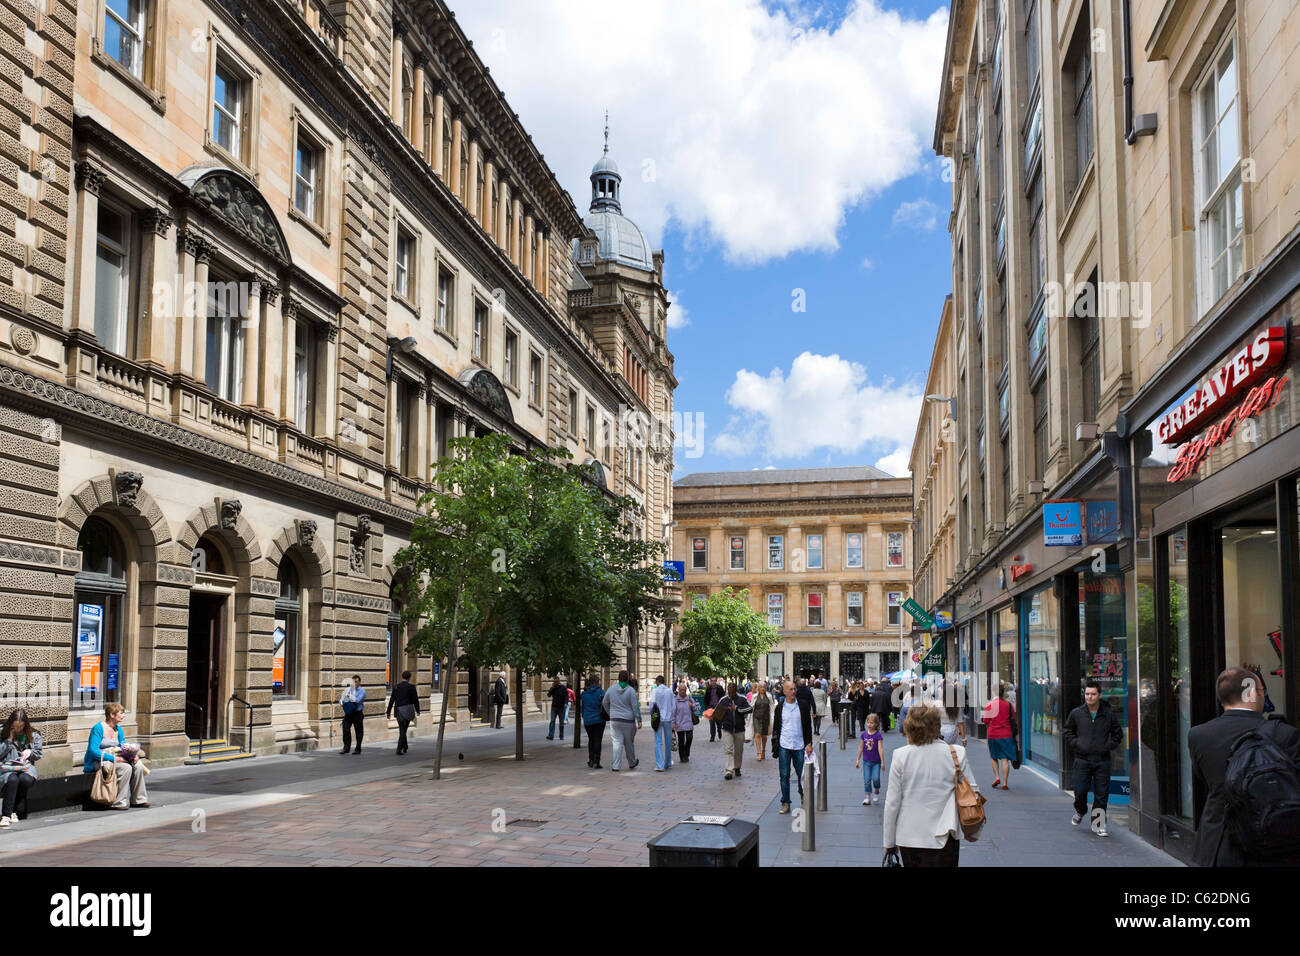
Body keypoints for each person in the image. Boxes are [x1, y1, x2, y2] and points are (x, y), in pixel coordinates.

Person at [1188, 667, 1300, 866]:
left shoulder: (1198, 735)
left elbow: (1203, 779)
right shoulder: (1285, 734)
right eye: (1261, 691)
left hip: (1217, 843)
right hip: (1272, 841)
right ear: (1250, 693)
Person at [883, 705, 979, 867]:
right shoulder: (956, 753)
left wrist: (889, 841)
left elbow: (892, 803)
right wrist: (974, 830)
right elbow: (973, 793)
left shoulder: (901, 755)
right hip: (945, 835)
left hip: (909, 836)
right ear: (937, 725)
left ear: (909, 727)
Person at [1062, 680, 1123, 836]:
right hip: (1082, 759)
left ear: (1099, 695)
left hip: (1102, 760)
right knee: (1080, 790)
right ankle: (1081, 810)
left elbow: (1118, 734)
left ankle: (1098, 824)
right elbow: (1068, 732)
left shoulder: (1108, 714)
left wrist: (1108, 745)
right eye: (1087, 694)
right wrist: (1077, 743)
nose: (1089, 697)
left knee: (1101, 794)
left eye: (1093, 694)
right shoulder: (1077, 713)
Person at [83, 702, 148, 810]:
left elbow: (124, 747)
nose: (124, 715)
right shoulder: (98, 728)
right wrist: (114, 759)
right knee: (126, 768)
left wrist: (132, 756)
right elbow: (93, 751)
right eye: (121, 713)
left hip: (115, 758)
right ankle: (118, 802)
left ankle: (138, 799)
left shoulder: (118, 729)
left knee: (139, 765)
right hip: (99, 761)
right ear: (112, 715)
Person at [772, 680, 814, 814]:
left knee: (802, 775)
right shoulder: (779, 707)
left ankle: (803, 796)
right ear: (784, 691)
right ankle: (785, 802)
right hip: (784, 745)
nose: (793, 691)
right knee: (784, 775)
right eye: (790, 689)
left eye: (794, 689)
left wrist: (809, 743)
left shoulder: (802, 705)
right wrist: (776, 743)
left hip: (799, 745)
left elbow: (808, 726)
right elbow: (776, 728)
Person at [0, 709, 42, 826]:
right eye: (15, 727)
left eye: (21, 727)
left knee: (25, 779)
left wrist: (30, 752)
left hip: (25, 767)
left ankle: (13, 810)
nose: (18, 729)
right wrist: (8, 740)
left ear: (25, 725)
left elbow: (38, 753)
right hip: (7, 767)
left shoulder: (33, 735)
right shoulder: (2, 732)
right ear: (10, 724)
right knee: (12, 779)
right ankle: (6, 815)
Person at [601, 671, 641, 771]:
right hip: (628, 721)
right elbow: (635, 706)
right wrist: (639, 720)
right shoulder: (631, 691)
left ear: (618, 678)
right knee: (629, 743)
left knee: (617, 743)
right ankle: (632, 762)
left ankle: (616, 765)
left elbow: (604, 702)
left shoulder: (611, 689)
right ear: (627, 679)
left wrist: (611, 713)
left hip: (615, 720)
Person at [982, 681, 1017, 789]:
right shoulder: (1008, 705)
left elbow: (986, 721)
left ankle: (997, 777)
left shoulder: (990, 705)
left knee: (994, 756)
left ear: (994, 692)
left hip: (993, 734)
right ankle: (1005, 783)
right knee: (1004, 758)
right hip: (1006, 734)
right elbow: (1014, 719)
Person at [715, 682, 752, 780]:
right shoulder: (723, 700)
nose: (730, 694)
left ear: (736, 691)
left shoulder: (742, 699)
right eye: (729, 692)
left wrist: (737, 709)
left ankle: (737, 767)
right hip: (727, 728)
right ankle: (729, 771)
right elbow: (717, 713)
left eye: (732, 692)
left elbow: (750, 709)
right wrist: (715, 716)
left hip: (739, 728)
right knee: (728, 749)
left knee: (739, 750)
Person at [385, 670, 420, 756]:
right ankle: (399, 749)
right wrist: (418, 710)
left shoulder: (396, 686)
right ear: (409, 678)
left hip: (398, 711)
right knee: (403, 730)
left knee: (402, 729)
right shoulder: (411, 687)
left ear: (402, 677)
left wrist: (388, 712)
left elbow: (392, 699)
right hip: (407, 710)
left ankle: (405, 747)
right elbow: (415, 700)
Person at [856, 713, 885, 805]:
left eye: (871, 723)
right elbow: (860, 748)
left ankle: (876, 790)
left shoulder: (878, 736)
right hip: (866, 762)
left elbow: (880, 749)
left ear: (876, 724)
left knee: (876, 778)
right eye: (868, 722)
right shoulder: (863, 735)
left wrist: (883, 762)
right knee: (867, 780)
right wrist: (857, 759)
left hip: (876, 762)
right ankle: (867, 797)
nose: (869, 724)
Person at [652, 675, 677, 772]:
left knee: (658, 741)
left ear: (658, 682)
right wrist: (671, 716)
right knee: (668, 741)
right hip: (667, 719)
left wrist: (653, 717)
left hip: (657, 719)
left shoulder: (655, 691)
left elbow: (651, 706)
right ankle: (667, 762)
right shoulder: (669, 691)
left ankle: (660, 765)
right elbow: (674, 706)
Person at [581, 675, 606, 769]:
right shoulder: (601, 692)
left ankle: (591, 760)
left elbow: (582, 708)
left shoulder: (584, 694)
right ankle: (596, 761)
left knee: (591, 739)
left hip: (587, 720)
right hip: (599, 720)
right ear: (597, 682)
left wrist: (584, 717)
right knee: (597, 740)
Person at [672, 681, 701, 762]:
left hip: (688, 723)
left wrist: (692, 705)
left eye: (684, 690)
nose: (683, 691)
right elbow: (673, 713)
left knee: (689, 738)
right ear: (678, 690)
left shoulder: (689, 698)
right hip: (679, 724)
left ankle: (686, 753)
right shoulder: (675, 700)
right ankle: (682, 757)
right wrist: (673, 723)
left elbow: (697, 708)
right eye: (681, 690)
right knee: (681, 742)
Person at [340, 675, 366, 754]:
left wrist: (348, 696)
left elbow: (357, 700)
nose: (354, 683)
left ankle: (358, 748)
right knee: (345, 729)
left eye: (356, 682)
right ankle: (346, 747)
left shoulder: (362, 691)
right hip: (349, 713)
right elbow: (342, 698)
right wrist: (341, 702)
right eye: (353, 682)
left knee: (358, 732)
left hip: (357, 713)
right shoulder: (349, 689)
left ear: (359, 682)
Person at [751, 682, 772, 761]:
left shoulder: (769, 696)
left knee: (764, 736)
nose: (762, 688)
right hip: (756, 717)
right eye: (761, 687)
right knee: (757, 734)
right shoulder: (755, 697)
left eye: (764, 687)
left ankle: (763, 750)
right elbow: (751, 706)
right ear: (758, 688)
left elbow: (772, 707)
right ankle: (758, 753)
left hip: (766, 718)